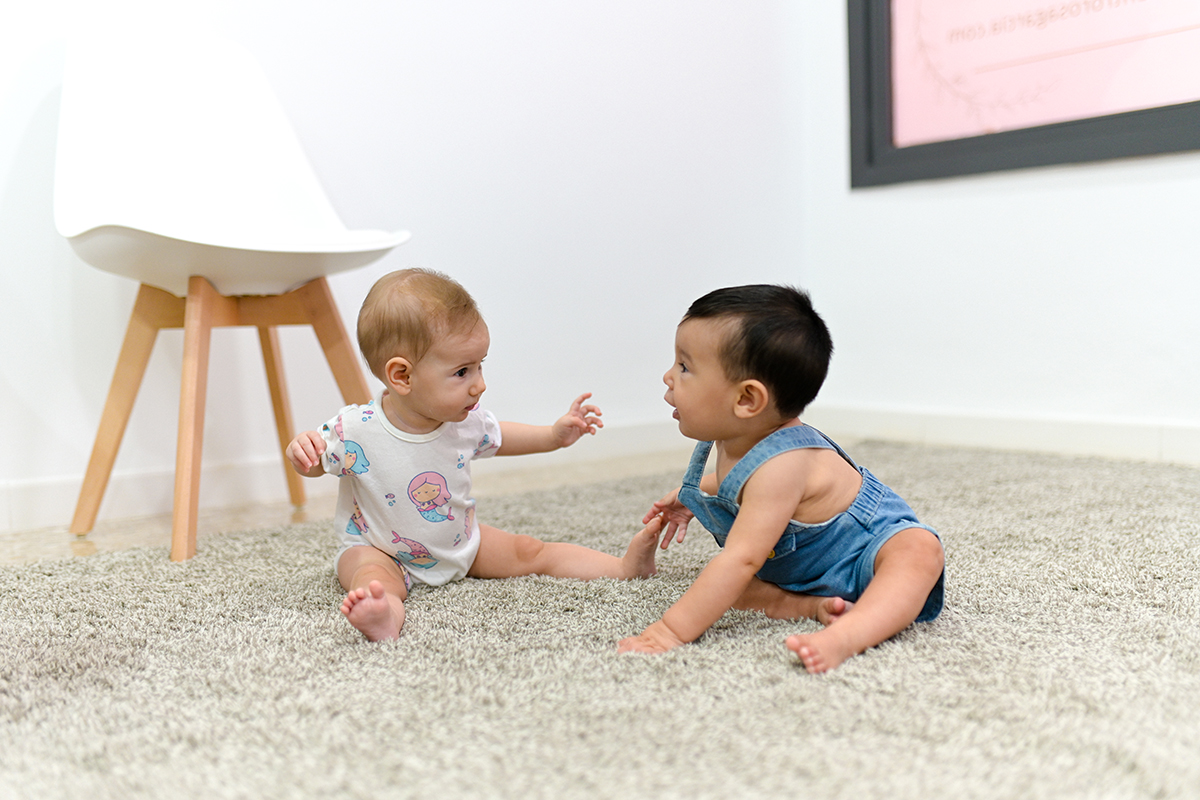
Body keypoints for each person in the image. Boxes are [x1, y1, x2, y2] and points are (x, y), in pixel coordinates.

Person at [287, 268, 661, 641]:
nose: (479, 384)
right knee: (371, 578)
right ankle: (383, 616)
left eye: (480, 366)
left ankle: (623, 568)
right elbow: (316, 463)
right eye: (462, 371)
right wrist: (303, 452)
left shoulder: (463, 421)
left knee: (530, 550)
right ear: (402, 376)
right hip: (381, 549)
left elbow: (502, 437)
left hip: (460, 543)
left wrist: (553, 436)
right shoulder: (354, 429)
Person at [617, 284, 945, 673]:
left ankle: (849, 634)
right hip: (798, 572)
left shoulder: (784, 464)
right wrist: (691, 495)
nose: (668, 376)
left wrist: (669, 631)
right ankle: (808, 606)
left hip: (865, 555)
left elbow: (741, 556)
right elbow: (737, 483)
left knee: (919, 550)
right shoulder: (733, 438)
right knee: (728, 587)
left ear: (746, 400)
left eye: (684, 367)